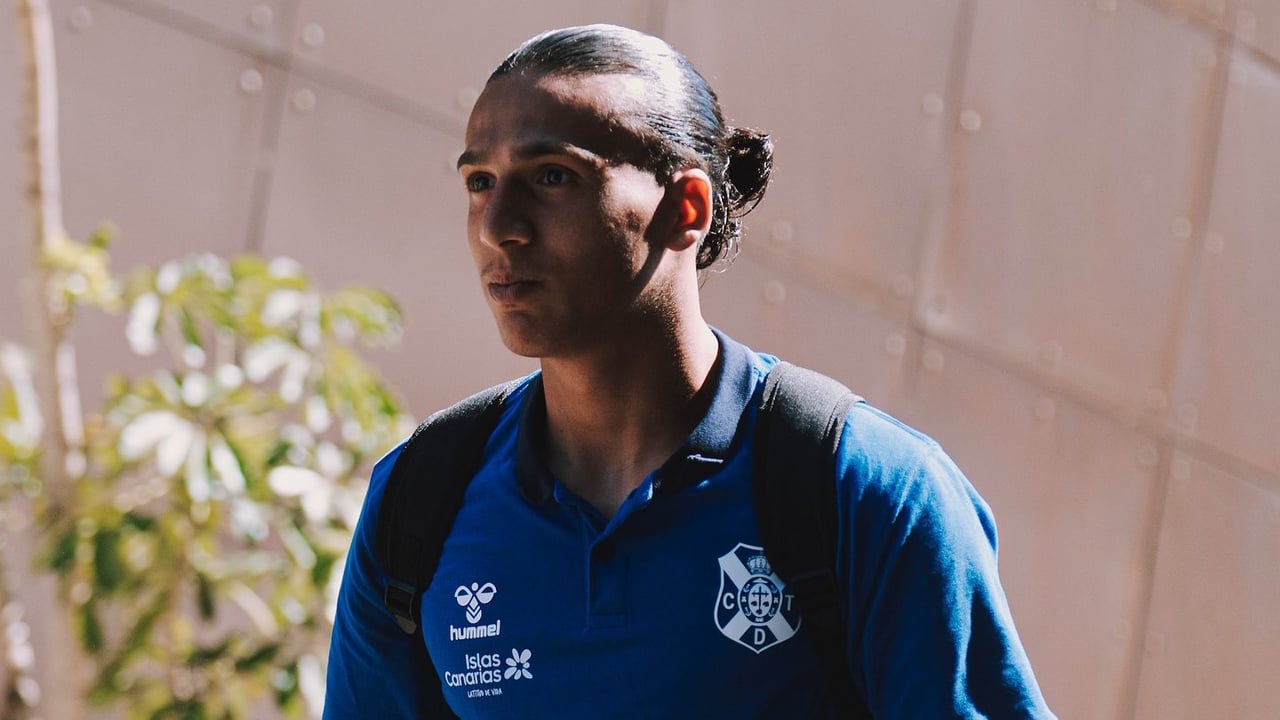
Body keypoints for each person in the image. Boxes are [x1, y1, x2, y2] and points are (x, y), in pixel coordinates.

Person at [324, 24, 1054, 719]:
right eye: (480, 182)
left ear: (686, 208)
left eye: (552, 177)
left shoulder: (868, 490)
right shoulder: (420, 499)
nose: (498, 227)